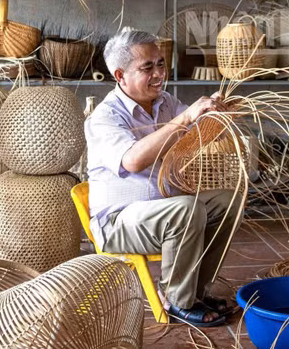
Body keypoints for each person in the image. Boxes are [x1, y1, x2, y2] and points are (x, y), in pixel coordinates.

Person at [85, 27, 243, 327]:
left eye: (160, 63)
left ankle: (196, 291)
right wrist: (185, 118)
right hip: (118, 223)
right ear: (120, 76)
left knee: (228, 200)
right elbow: (132, 160)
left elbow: (199, 132)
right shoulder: (105, 117)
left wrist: (218, 116)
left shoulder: (165, 102)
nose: (159, 73)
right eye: (148, 67)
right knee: (186, 209)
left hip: (165, 210)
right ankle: (177, 301)